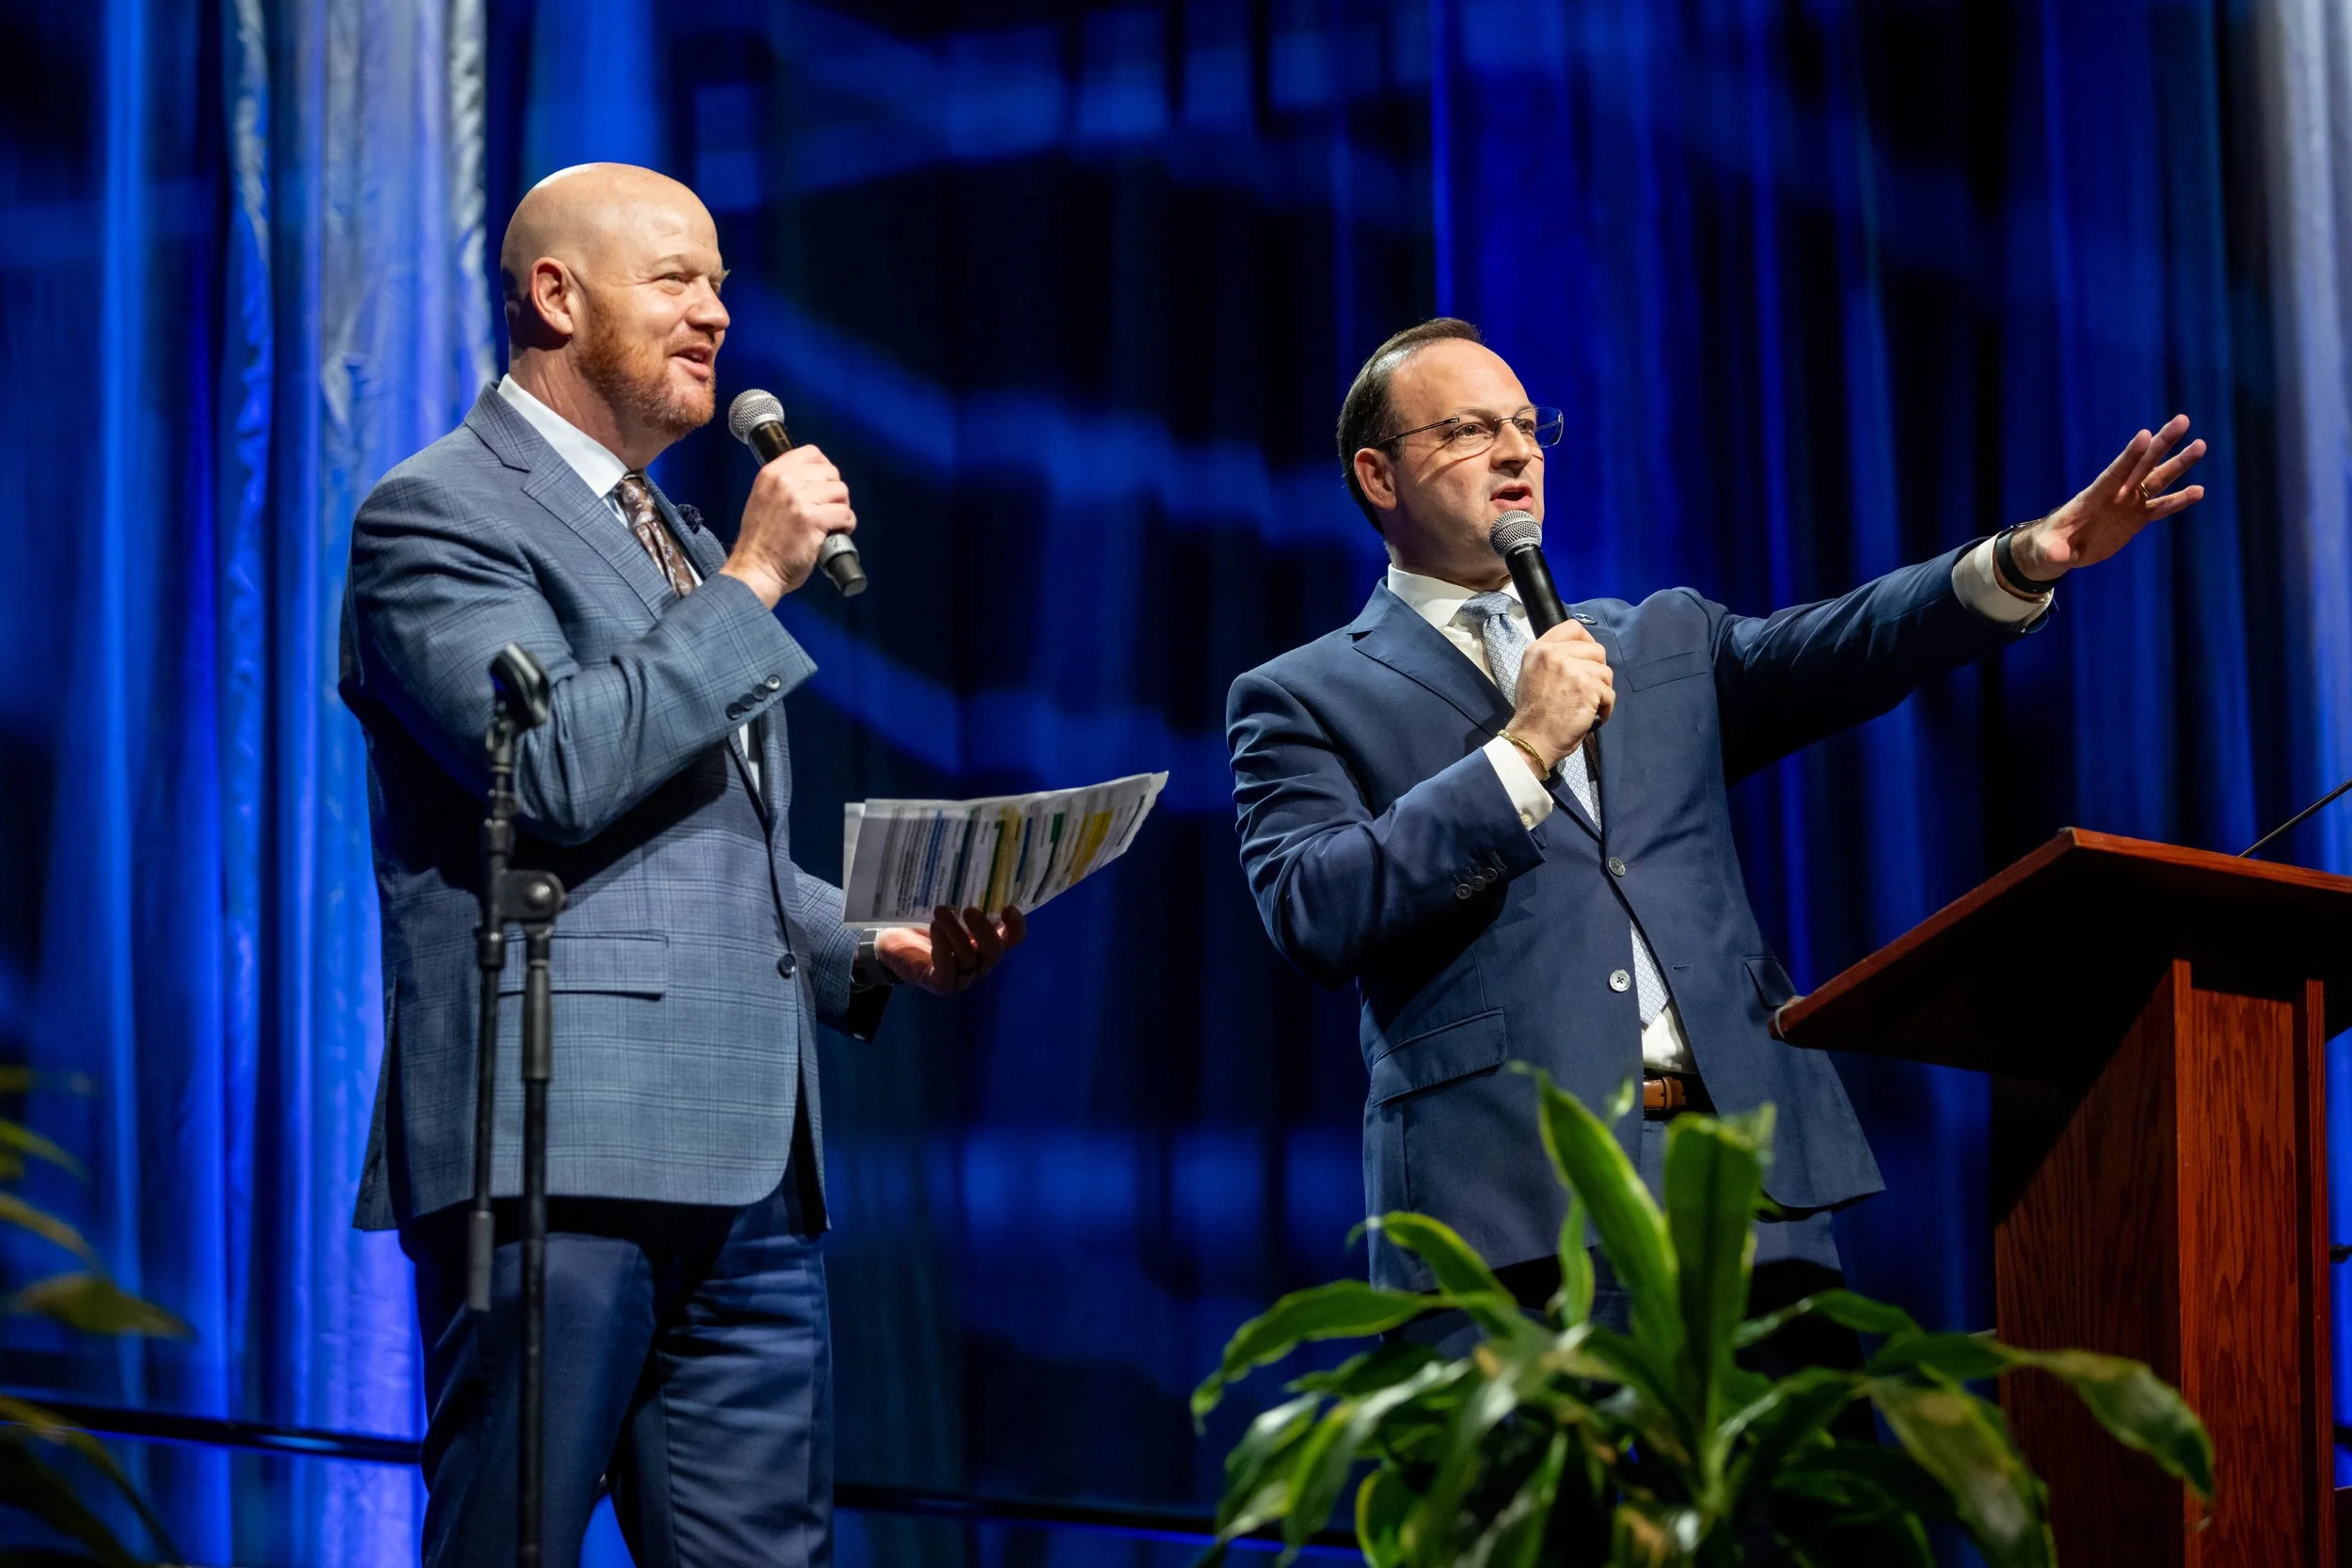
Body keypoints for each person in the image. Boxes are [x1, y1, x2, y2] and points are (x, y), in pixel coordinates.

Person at [1224, 317, 2204, 1350]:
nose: (1515, 451)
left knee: (1804, 1506)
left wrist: (2021, 559)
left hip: (1749, 1180)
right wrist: (1519, 752)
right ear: (1379, 476)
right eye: (1469, 430)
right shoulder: (1300, 694)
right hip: (1513, 1208)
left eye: (1525, 425)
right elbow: (1314, 907)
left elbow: (1849, 643)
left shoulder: (1655, 637)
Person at [340, 163, 1023, 1567]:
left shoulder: (679, 539)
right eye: (676, 279)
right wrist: (756, 583)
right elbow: (554, 770)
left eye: (718, 280)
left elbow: (713, 850)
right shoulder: (437, 514)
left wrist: (871, 937)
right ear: (554, 295)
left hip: (753, 1166)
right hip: (558, 1151)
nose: (716, 311)